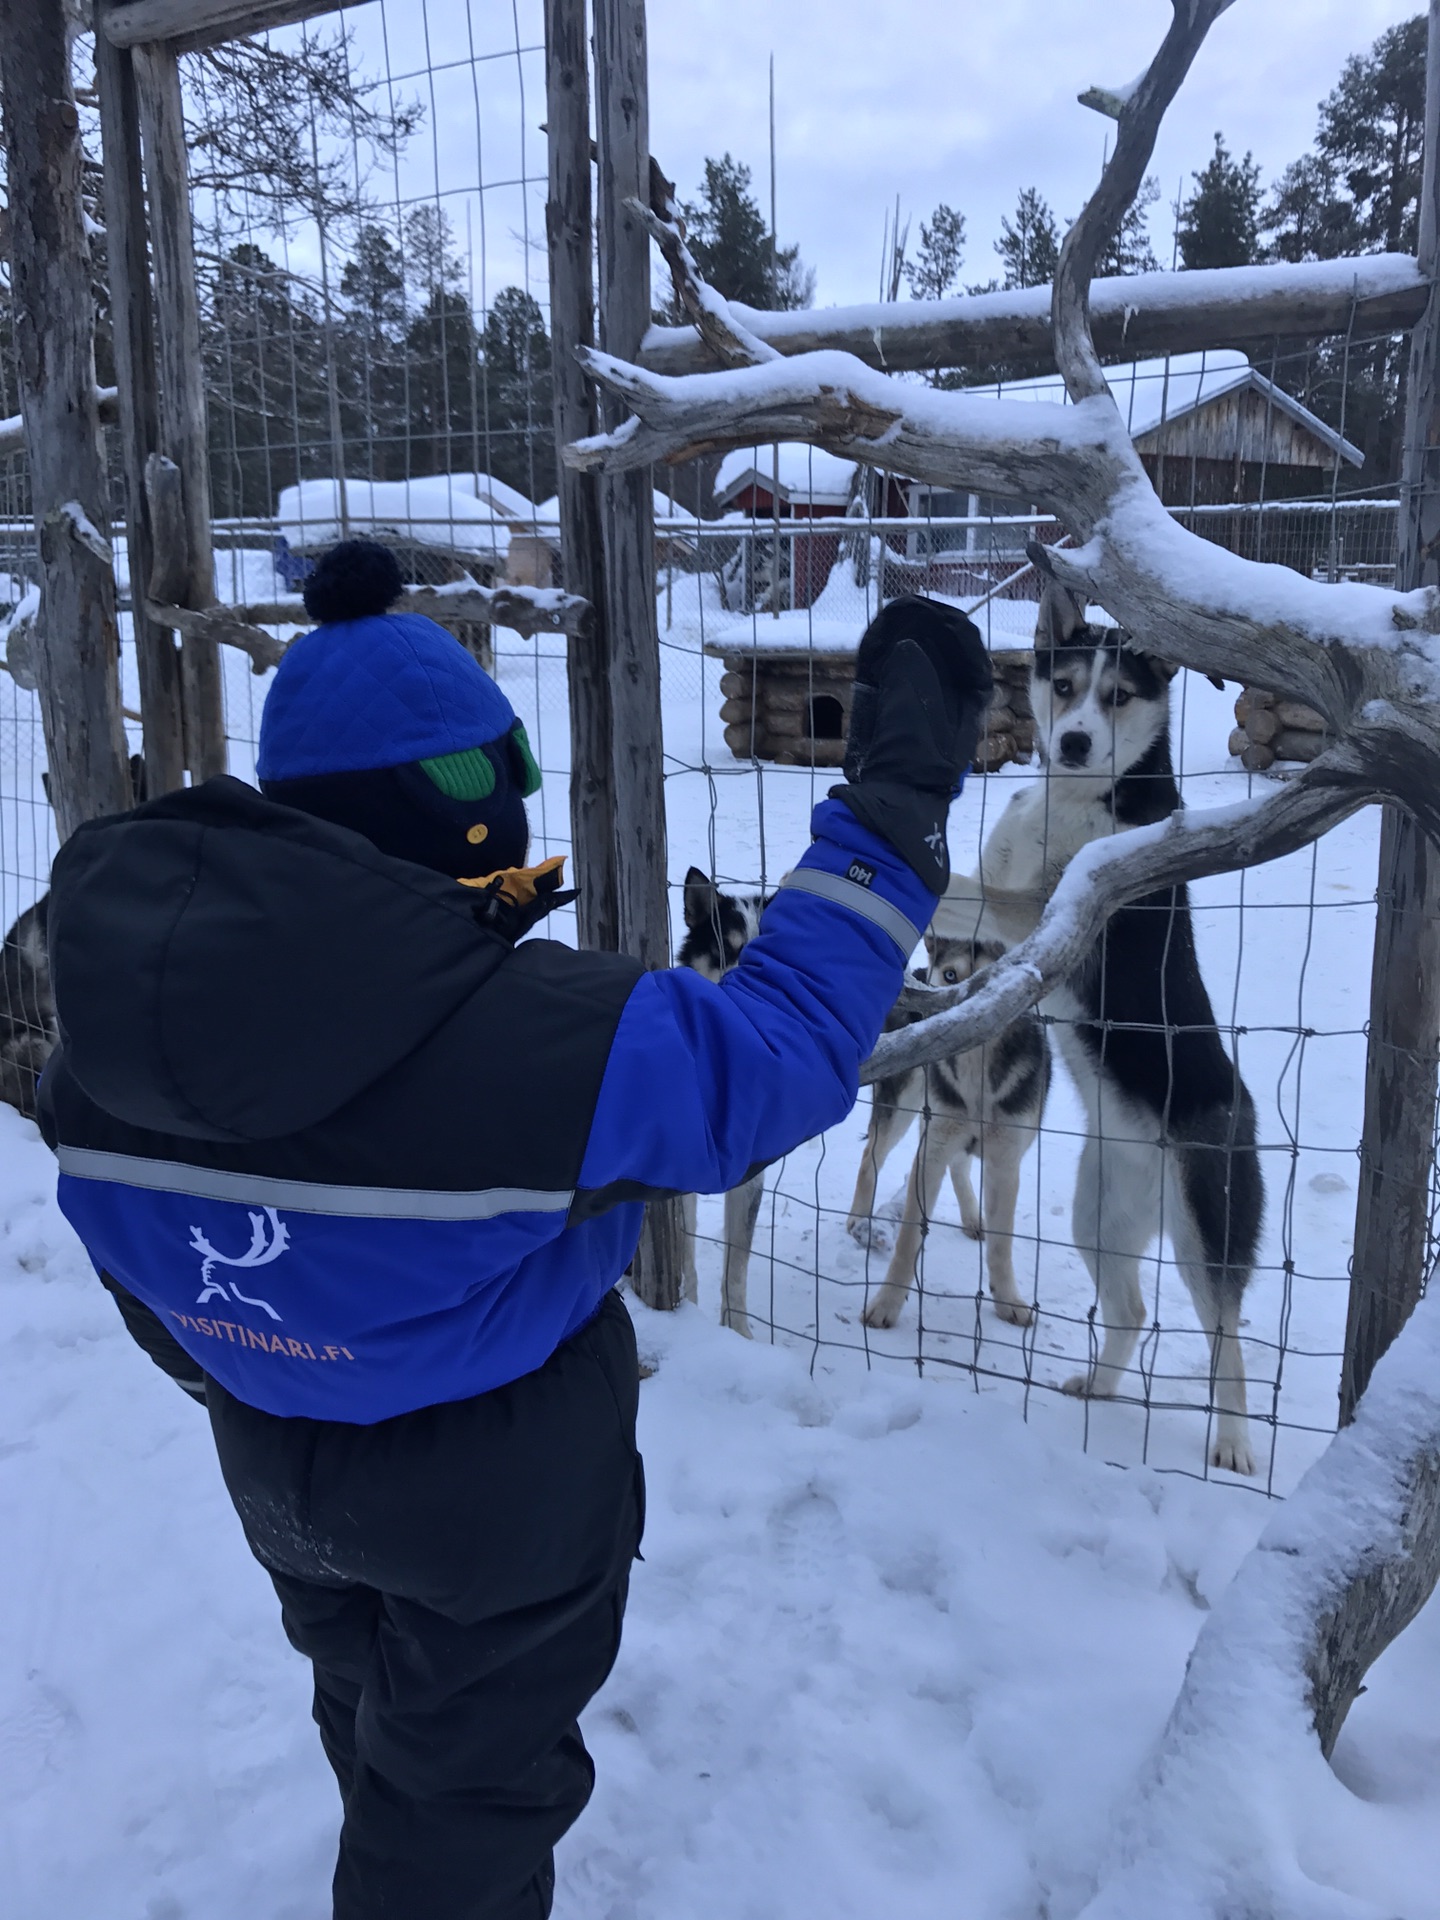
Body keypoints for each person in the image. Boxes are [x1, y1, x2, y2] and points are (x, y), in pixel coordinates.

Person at [38, 539, 993, 1920]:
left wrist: (233, 1358)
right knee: (464, 1801)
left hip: (269, 1454)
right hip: (493, 1485)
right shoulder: (543, 1044)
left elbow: (123, 1236)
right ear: (463, 801)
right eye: (505, 791)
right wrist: (894, 805)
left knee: (369, 1695)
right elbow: (777, 1051)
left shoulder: (124, 1027)